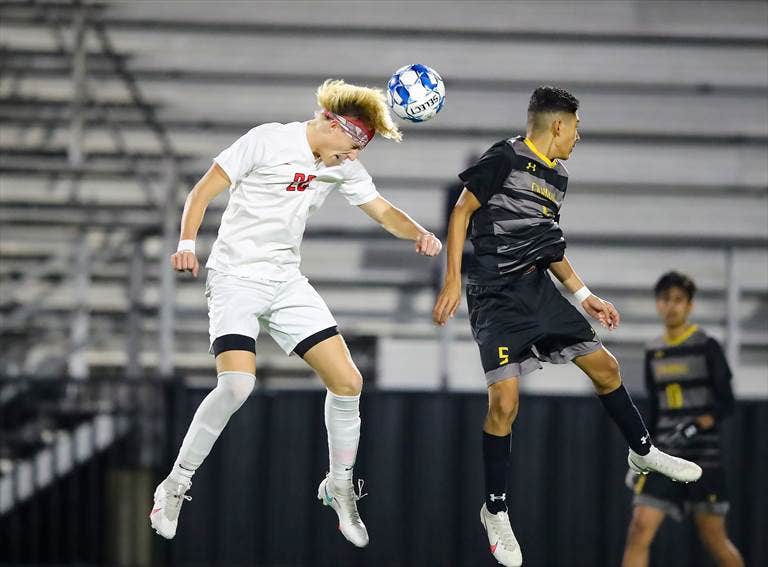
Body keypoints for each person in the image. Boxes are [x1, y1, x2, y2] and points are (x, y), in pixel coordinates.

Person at [149, 79, 443, 545]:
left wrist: (420, 234)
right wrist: (186, 244)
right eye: (353, 142)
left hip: (285, 281)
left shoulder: (340, 163)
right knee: (238, 385)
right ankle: (175, 484)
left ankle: (339, 486)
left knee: (348, 382)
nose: (354, 156)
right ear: (329, 121)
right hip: (235, 278)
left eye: (362, 147)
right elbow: (202, 191)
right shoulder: (268, 140)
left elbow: (383, 211)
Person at [432, 86, 702, 567]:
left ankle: (642, 450)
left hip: (539, 290)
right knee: (504, 404)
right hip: (495, 296)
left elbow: (550, 248)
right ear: (558, 125)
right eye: (576, 126)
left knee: (607, 369)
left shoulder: (558, 178)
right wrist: (452, 279)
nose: (579, 136)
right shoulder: (504, 158)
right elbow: (461, 210)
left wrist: (585, 296)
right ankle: (495, 509)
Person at [622, 271, 743, 567]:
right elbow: (653, 408)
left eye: (678, 300)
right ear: (657, 304)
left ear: (689, 305)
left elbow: (726, 401)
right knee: (638, 531)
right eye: (664, 300)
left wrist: (700, 422)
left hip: (704, 459)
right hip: (664, 458)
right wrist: (643, 453)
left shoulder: (707, 345)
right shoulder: (653, 351)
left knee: (714, 538)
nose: (671, 306)